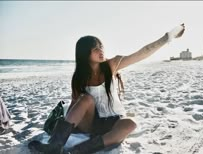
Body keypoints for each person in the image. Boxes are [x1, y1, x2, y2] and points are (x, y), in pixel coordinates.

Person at [28, 24, 185, 154]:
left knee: (130, 124)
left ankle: (80, 150)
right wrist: (65, 128)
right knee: (86, 99)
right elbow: (75, 104)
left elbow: (142, 53)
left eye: (101, 46)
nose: (101, 50)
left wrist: (167, 37)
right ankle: (55, 145)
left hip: (113, 120)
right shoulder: (79, 77)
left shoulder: (112, 65)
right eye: (95, 48)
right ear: (84, 53)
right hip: (90, 123)